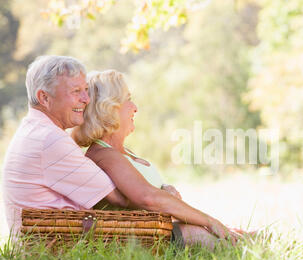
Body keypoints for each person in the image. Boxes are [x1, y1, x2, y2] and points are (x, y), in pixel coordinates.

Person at [71, 69, 244, 250]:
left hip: (162, 229)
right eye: (127, 99)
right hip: (141, 239)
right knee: (226, 241)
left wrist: (166, 191)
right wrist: (210, 221)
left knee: (243, 235)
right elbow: (148, 198)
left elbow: (152, 196)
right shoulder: (103, 155)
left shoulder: (124, 152)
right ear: (108, 108)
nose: (135, 107)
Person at [1, 56, 128, 242]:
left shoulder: (36, 130)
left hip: (49, 246)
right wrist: (162, 194)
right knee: (183, 233)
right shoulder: (49, 139)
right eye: (76, 91)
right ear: (44, 98)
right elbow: (118, 199)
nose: (86, 99)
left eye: (86, 90)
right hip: (51, 253)